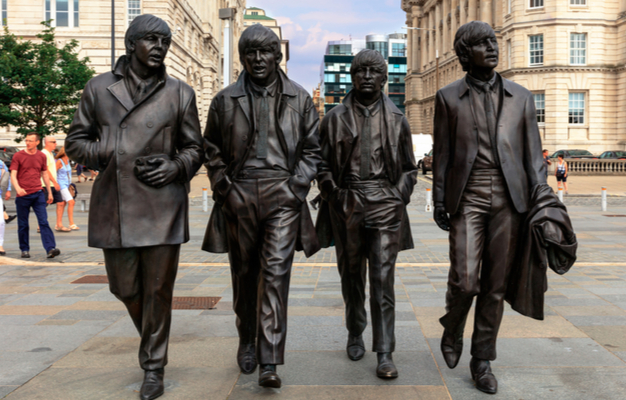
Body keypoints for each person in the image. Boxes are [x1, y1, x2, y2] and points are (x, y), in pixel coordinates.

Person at [65, 14, 203, 400]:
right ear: (131, 45)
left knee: (159, 290)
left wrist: (176, 165)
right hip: (116, 206)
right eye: (152, 40)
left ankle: (153, 367)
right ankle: (153, 343)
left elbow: (196, 148)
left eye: (165, 41)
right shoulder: (98, 88)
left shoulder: (180, 92)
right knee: (124, 287)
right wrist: (109, 150)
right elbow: (75, 143)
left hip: (163, 204)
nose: (160, 47)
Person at [432, 21, 552, 395]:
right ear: (466, 54)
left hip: (509, 199)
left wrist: (542, 201)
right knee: (466, 280)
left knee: (495, 285)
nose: (493, 47)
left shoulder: (522, 97)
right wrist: (439, 198)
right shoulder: (448, 97)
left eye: (493, 41)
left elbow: (534, 157)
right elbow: (443, 155)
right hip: (467, 197)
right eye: (483, 43)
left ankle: (482, 359)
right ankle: (453, 325)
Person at [201, 24, 321, 389]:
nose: (257, 59)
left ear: (277, 55)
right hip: (239, 195)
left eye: (265, 51)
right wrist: (226, 189)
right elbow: (212, 150)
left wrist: (296, 187)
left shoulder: (300, 99)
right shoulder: (225, 100)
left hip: (282, 195)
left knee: (274, 275)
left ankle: (269, 358)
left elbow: (313, 150)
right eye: (250, 52)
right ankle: (246, 338)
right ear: (242, 58)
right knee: (244, 275)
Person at [314, 49, 418, 379]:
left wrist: (397, 196)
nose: (368, 76)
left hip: (385, 202)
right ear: (351, 76)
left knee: (383, 279)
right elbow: (320, 163)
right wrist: (333, 192)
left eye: (374, 71)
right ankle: (355, 329)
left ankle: (385, 350)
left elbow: (408, 168)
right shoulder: (333, 119)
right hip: (347, 201)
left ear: (385, 79)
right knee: (352, 275)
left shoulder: (398, 119)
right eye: (361, 71)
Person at [10, 133, 59, 258]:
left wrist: (49, 192)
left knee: (43, 221)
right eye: (26, 140)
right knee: (23, 224)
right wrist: (18, 188)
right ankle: (24, 249)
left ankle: (50, 248)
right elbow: (13, 175)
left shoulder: (41, 156)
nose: (28, 143)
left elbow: (44, 174)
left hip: (38, 193)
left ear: (37, 142)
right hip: (23, 195)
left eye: (31, 141)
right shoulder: (18, 156)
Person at [54, 147, 77, 231]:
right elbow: (53, 172)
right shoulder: (59, 161)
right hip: (61, 185)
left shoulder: (67, 161)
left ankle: (58, 223)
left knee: (63, 204)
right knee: (71, 202)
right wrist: (55, 183)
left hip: (67, 185)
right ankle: (71, 223)